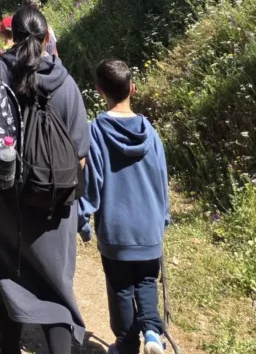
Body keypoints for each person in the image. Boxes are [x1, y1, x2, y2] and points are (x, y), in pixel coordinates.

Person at [0, 5, 90, 354]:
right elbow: (81, 153)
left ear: (12, 34)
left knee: (8, 273)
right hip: (54, 202)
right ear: (46, 37)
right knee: (55, 285)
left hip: (3, 199)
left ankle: (7, 346)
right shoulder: (66, 83)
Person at [78, 60, 170, 354]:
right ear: (132, 88)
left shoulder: (97, 131)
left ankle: (127, 344)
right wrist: (163, 216)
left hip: (117, 230)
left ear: (99, 90)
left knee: (120, 287)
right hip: (149, 227)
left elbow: (93, 181)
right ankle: (153, 334)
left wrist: (83, 218)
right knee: (146, 280)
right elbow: (161, 176)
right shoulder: (150, 132)